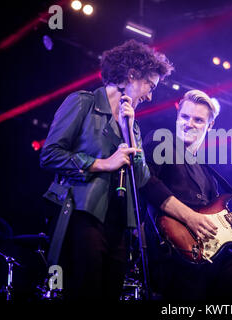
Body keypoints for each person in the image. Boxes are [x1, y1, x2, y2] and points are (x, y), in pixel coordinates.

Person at [39, 39, 173, 300]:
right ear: (132, 75)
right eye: (150, 86)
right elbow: (50, 154)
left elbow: (142, 178)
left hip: (119, 226)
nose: (150, 96)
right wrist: (102, 163)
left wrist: (128, 131)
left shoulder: (132, 125)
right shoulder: (83, 103)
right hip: (82, 216)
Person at [141, 90, 232, 300]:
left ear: (210, 125)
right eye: (185, 117)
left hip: (211, 252)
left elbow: (211, 213)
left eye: (198, 120)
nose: (189, 124)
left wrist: (230, 224)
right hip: (173, 253)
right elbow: (146, 182)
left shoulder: (208, 174)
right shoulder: (160, 144)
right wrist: (191, 217)